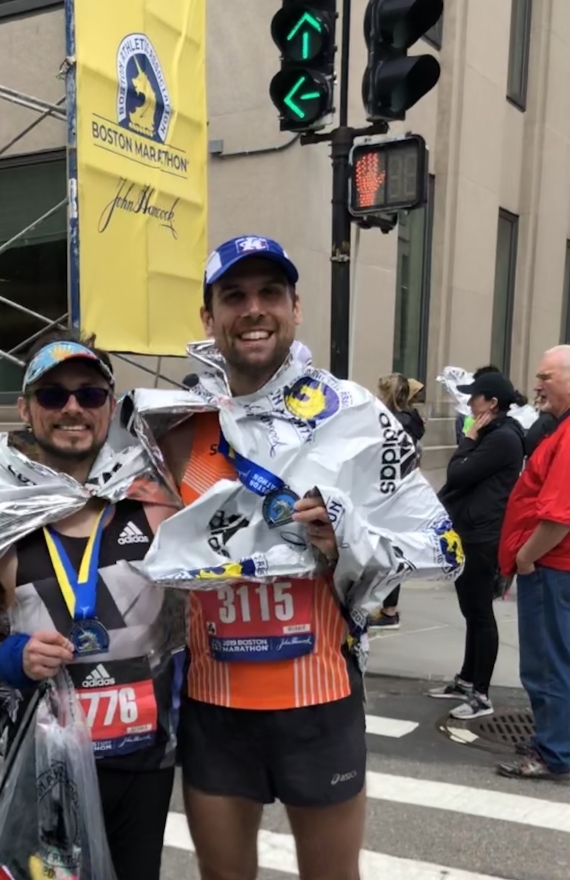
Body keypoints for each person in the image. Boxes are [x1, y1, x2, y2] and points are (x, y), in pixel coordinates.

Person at [155, 235, 449, 880]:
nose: (253, 309)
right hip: (214, 706)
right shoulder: (175, 427)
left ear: (296, 307)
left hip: (319, 702)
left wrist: (346, 537)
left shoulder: (353, 414)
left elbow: (438, 544)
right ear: (209, 317)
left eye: (270, 294)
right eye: (234, 296)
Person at [0, 331, 185, 880]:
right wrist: (14, 657)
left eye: (90, 394)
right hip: (43, 767)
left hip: (143, 762)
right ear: (25, 409)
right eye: (52, 395)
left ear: (109, 406)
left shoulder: (155, 509)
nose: (72, 407)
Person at [429, 372, 525, 719]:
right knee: (472, 611)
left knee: (480, 614)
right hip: (472, 530)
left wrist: (467, 440)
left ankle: (481, 694)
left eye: (474, 398)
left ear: (492, 403)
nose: (469, 403)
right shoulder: (494, 434)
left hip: (483, 536)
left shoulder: (501, 439)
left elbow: (456, 474)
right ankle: (467, 679)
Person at [498, 345, 570, 782]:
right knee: (554, 661)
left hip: (550, 568)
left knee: (546, 665)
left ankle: (554, 751)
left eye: (547, 376)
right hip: (552, 568)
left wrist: (525, 558)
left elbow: (559, 517)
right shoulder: (560, 431)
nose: (537, 385)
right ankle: (553, 739)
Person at [370, 374, 426, 629]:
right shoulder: (411, 421)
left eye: (381, 395)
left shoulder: (392, 425)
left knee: (387, 551)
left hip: (389, 493)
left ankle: (389, 609)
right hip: (401, 491)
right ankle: (388, 607)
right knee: (391, 550)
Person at [455, 365, 501, 446]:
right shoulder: (490, 432)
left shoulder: (498, 438)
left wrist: (470, 438)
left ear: (493, 403)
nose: (469, 403)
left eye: (474, 396)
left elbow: (461, 458)